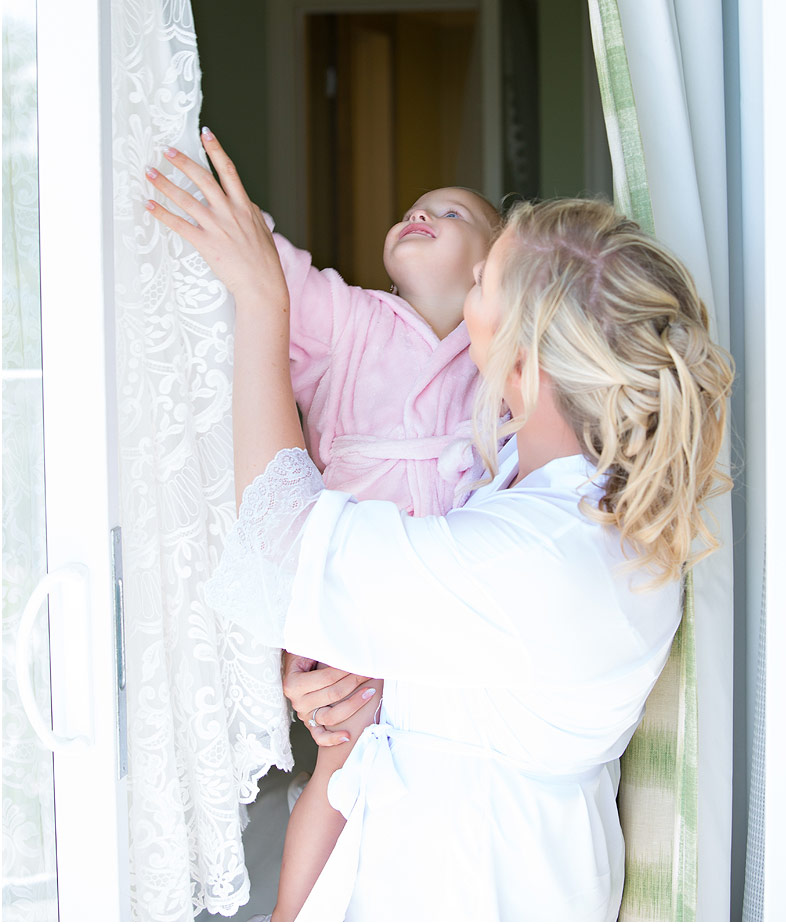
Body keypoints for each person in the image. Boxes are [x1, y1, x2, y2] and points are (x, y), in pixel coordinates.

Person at [146, 130, 733, 923]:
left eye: (483, 281)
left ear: (520, 360)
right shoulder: (518, 497)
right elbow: (465, 658)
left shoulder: (540, 557)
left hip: (471, 887)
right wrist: (349, 683)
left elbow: (284, 547)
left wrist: (262, 303)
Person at [147, 143, 500, 917]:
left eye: (452, 213)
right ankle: (291, 911)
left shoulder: (496, 364)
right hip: (342, 588)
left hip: (439, 608)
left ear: (490, 270)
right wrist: (216, 200)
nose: (421, 213)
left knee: (415, 765)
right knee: (343, 765)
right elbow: (276, 279)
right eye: (414, 206)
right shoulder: (352, 322)